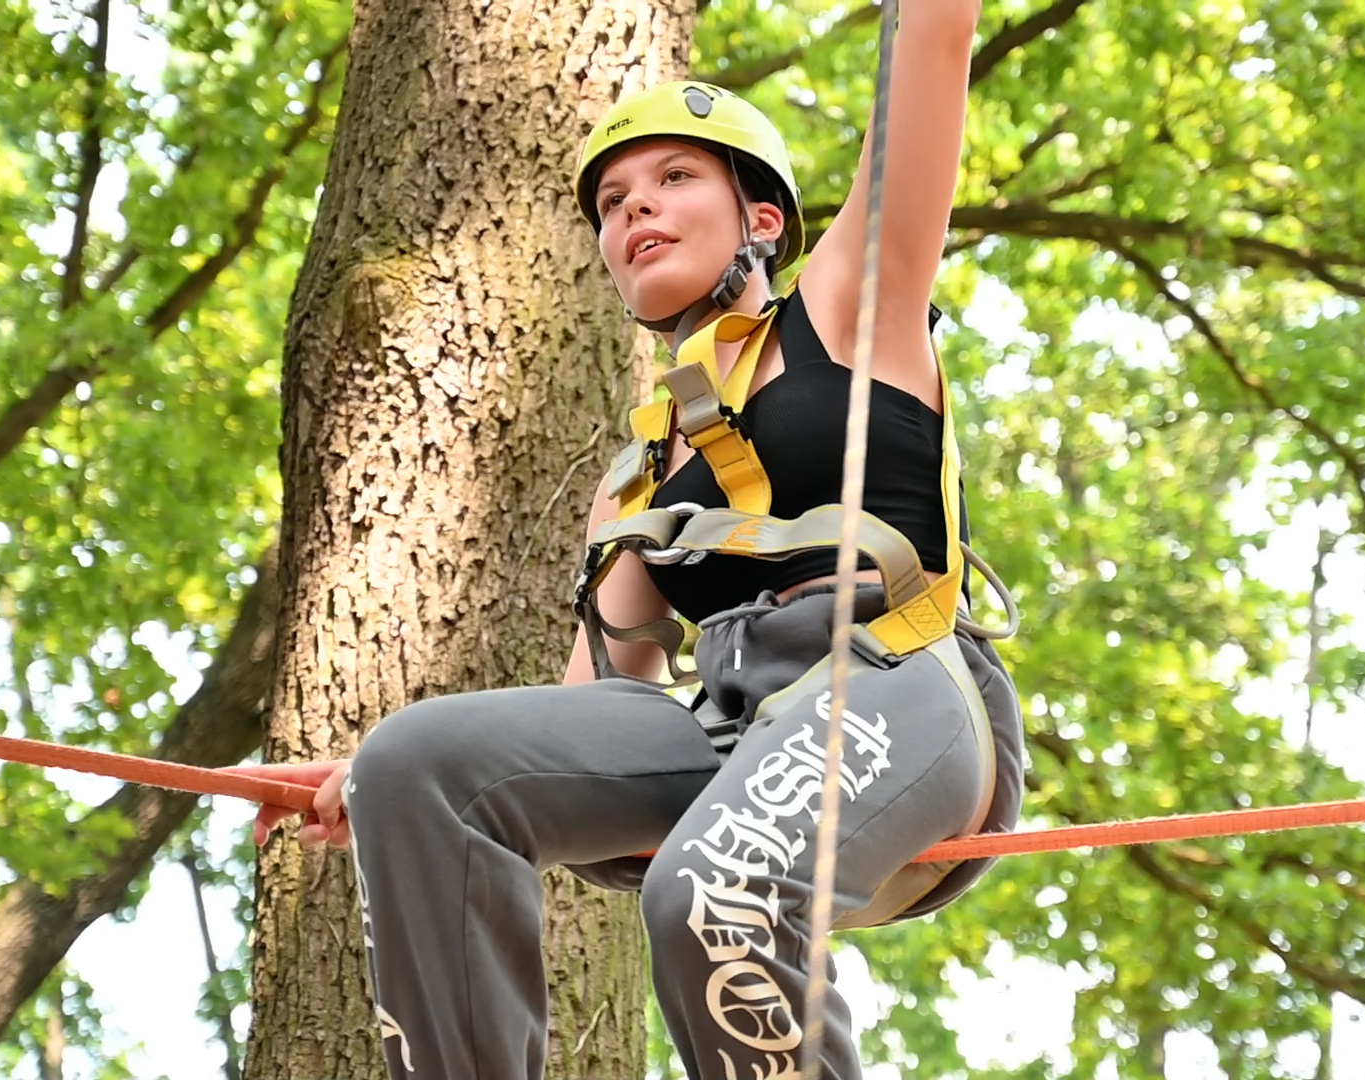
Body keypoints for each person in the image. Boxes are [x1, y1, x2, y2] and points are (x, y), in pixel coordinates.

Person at [227, 19, 1023, 1078]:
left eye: (674, 177)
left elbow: (925, 60)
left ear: (764, 219)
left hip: (897, 688)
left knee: (704, 891)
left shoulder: (847, 313)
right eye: (611, 203)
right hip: (742, 734)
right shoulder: (637, 481)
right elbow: (595, 716)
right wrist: (381, 782)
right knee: (420, 763)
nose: (634, 207)